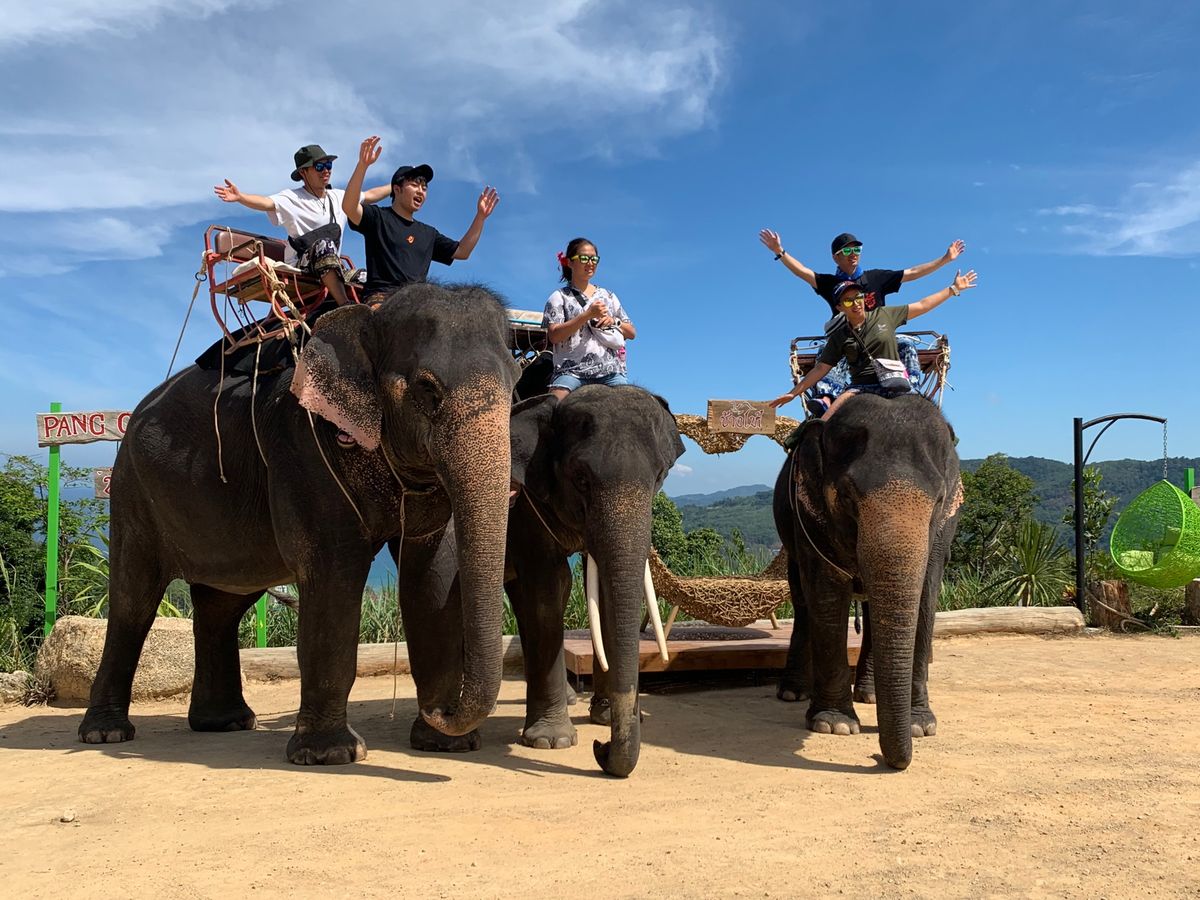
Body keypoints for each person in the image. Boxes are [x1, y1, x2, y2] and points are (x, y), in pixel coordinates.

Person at [758, 229, 967, 415]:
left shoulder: (875, 278)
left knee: (905, 344)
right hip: (850, 341)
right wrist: (780, 252)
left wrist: (945, 260)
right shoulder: (830, 284)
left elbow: (913, 275)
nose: (854, 255)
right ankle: (827, 398)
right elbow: (802, 271)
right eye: (847, 251)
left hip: (880, 336)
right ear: (835, 257)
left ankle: (911, 392)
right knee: (828, 353)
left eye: (857, 249)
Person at [214, 144, 391, 306]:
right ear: (303, 173)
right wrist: (240, 197)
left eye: (328, 166)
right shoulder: (291, 198)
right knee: (325, 245)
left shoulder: (338, 197)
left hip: (332, 267)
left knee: (371, 276)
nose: (326, 171)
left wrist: (398, 184)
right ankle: (345, 306)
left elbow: (369, 195)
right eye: (319, 167)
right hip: (302, 267)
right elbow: (266, 202)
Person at [342, 136, 500, 303]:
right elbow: (349, 207)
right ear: (397, 189)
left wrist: (480, 217)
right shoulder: (378, 217)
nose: (421, 191)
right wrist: (362, 165)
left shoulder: (428, 234)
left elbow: (463, 251)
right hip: (381, 299)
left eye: (424, 188)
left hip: (417, 304)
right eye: (415, 185)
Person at [542, 237, 636, 399]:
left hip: (610, 372)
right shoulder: (558, 297)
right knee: (553, 406)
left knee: (635, 409)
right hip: (571, 373)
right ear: (570, 263)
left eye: (594, 259)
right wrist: (586, 315)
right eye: (584, 258)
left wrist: (614, 321)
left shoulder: (609, 296)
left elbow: (632, 333)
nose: (590, 262)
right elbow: (554, 336)